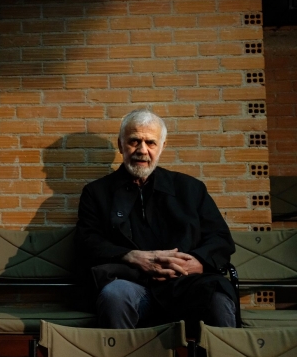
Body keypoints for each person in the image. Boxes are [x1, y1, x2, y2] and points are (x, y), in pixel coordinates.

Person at [75, 109, 237, 331]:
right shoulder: (97, 193)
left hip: (187, 284)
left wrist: (197, 262)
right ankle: (122, 356)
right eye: (134, 141)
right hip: (132, 283)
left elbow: (220, 238)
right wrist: (131, 256)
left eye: (150, 143)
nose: (142, 150)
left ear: (162, 146)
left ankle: (225, 355)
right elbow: (87, 241)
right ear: (121, 145)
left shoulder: (190, 189)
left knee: (218, 298)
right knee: (114, 295)